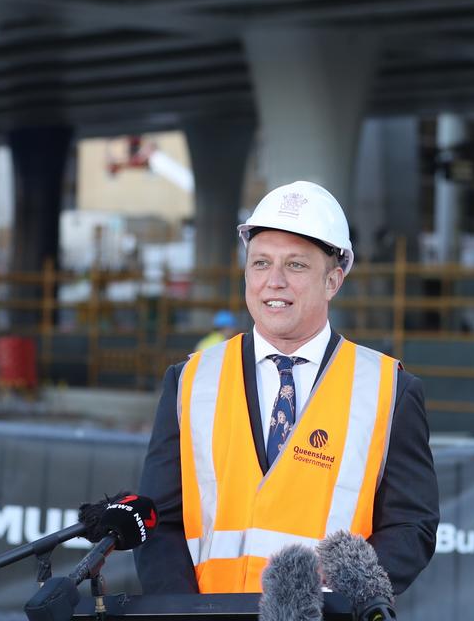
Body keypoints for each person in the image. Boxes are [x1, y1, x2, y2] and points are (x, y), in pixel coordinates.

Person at [135, 180, 439, 595]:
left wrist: (338, 599)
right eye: (261, 263)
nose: (273, 281)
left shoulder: (389, 389)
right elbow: (159, 521)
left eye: (295, 265)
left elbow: (410, 526)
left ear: (333, 281)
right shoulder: (190, 380)